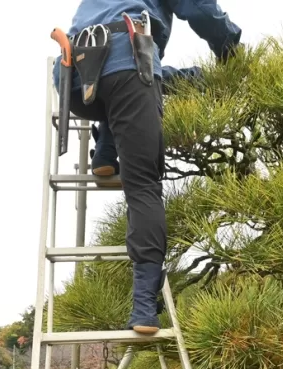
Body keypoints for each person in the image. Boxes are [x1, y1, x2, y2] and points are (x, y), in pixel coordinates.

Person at [53, 0, 241, 334]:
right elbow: (201, 10)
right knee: (144, 187)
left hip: (74, 76)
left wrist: (193, 78)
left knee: (139, 91)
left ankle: (104, 159)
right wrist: (230, 51)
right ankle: (143, 308)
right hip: (127, 61)